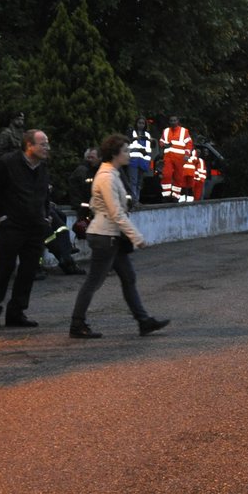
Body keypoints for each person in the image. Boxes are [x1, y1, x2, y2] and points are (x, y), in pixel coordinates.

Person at [69, 134, 170, 340]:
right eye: (125, 150)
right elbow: (116, 212)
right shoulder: (106, 177)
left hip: (111, 235)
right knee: (93, 282)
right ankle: (77, 324)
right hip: (105, 236)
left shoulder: (113, 173)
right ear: (115, 154)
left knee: (128, 277)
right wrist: (136, 236)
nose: (129, 154)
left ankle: (144, 321)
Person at [0, 129, 53, 330]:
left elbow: (45, 193)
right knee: (3, 268)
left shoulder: (43, 167)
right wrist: (2, 216)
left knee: (28, 270)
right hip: (12, 225)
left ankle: (16, 312)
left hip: (35, 226)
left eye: (47, 144)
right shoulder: (7, 163)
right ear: (29, 145)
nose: (47, 147)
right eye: (43, 144)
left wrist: (46, 216)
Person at [160, 115, 193, 203]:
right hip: (168, 157)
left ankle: (175, 196)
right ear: (169, 122)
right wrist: (163, 145)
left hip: (179, 158)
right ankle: (166, 195)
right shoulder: (166, 131)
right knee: (166, 174)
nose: (173, 122)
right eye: (171, 120)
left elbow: (189, 144)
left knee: (178, 177)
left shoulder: (184, 131)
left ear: (178, 121)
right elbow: (161, 141)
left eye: (175, 120)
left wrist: (187, 154)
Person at [127, 117, 156, 205]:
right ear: (136, 123)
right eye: (139, 123)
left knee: (139, 182)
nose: (141, 125)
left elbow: (152, 146)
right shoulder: (131, 132)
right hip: (133, 160)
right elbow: (127, 143)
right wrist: (134, 139)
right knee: (133, 181)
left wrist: (152, 141)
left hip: (143, 161)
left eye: (143, 123)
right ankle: (133, 200)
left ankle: (137, 199)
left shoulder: (147, 134)